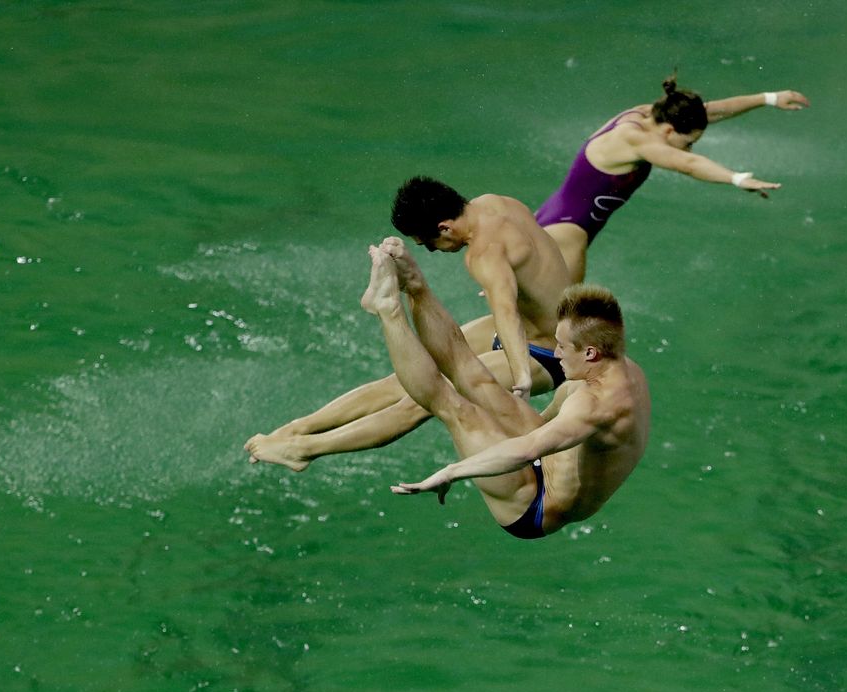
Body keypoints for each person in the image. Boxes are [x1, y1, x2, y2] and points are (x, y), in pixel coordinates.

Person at [244, 177, 571, 471]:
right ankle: (298, 428)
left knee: (424, 399)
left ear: (444, 227)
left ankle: (303, 449)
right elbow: (535, 255)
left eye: (428, 243)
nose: (432, 250)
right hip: (540, 325)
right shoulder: (497, 202)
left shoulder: (483, 254)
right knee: (406, 378)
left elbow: (506, 312)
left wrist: (522, 375)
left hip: (545, 352)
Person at [364, 239, 649, 537]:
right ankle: (413, 283)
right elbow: (553, 417)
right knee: (471, 374)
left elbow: (528, 449)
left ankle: (387, 309)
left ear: (590, 353)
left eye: (563, 347)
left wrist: (452, 471)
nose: (556, 354)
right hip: (548, 455)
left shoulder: (597, 405)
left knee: (452, 404)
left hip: (537, 504)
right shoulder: (619, 367)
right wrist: (521, 417)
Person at [535, 74, 810, 282]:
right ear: (668, 132)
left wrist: (769, 98)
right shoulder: (634, 139)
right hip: (564, 235)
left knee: (537, 324)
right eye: (688, 141)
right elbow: (687, 164)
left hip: (554, 220)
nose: (690, 148)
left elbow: (711, 111)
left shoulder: (648, 114)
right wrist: (735, 178)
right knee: (553, 329)